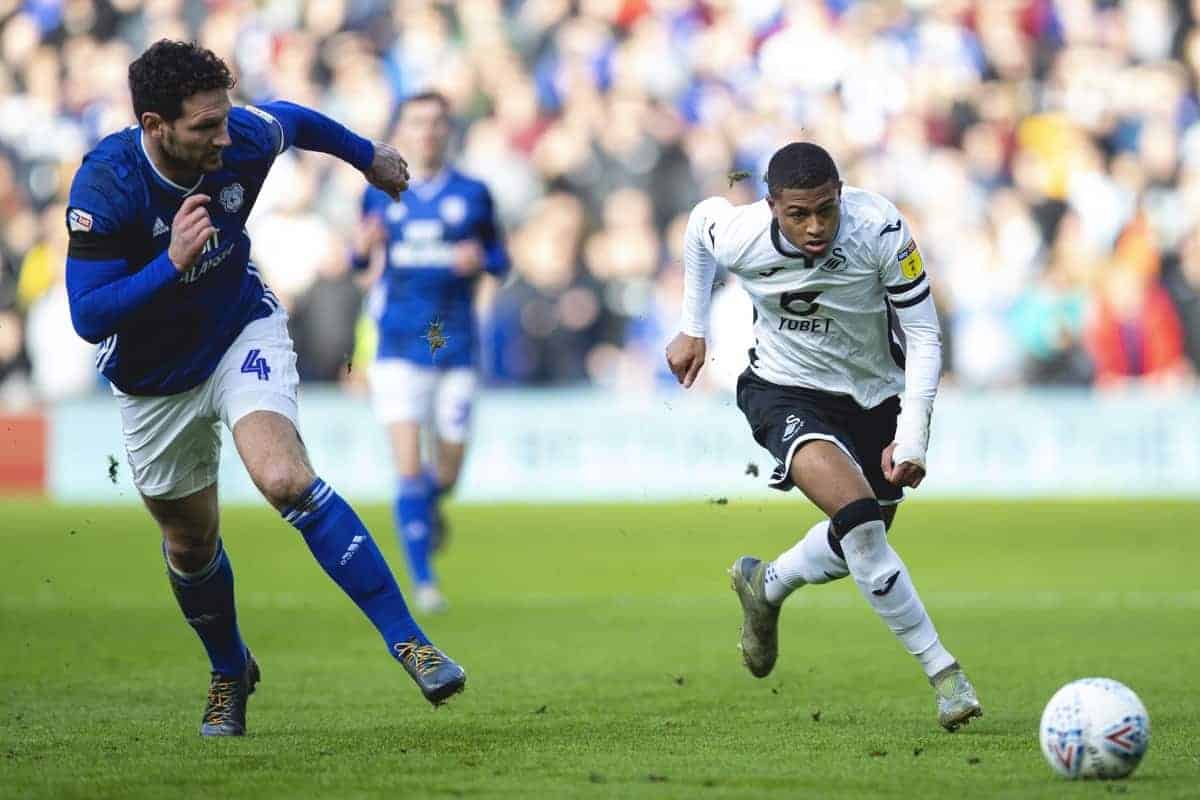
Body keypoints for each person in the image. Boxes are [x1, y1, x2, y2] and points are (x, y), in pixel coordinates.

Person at [63, 40, 466, 737]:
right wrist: (171, 263)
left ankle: (410, 639)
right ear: (155, 125)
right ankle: (229, 670)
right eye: (204, 127)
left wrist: (367, 155)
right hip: (154, 379)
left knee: (283, 477)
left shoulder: (240, 135)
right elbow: (87, 313)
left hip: (238, 329)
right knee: (190, 543)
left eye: (224, 119)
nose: (225, 136)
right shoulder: (109, 183)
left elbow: (293, 121)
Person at [665, 142, 983, 731]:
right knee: (862, 525)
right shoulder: (741, 233)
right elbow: (697, 225)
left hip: (873, 396)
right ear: (772, 206)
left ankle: (768, 584)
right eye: (798, 214)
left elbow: (924, 336)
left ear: (840, 196)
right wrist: (692, 326)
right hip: (783, 389)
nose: (814, 227)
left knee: (861, 536)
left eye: (825, 210)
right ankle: (945, 675)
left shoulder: (881, 230)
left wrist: (912, 432)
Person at [351, 91, 509, 613]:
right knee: (408, 469)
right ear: (402, 129)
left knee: (446, 475)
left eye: (437, 122)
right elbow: (359, 264)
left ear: (449, 130)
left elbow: (501, 259)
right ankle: (423, 582)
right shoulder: (378, 192)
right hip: (397, 341)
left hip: (454, 342)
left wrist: (480, 258)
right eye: (417, 123)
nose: (427, 132)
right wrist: (361, 248)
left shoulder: (473, 193)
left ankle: (426, 510)